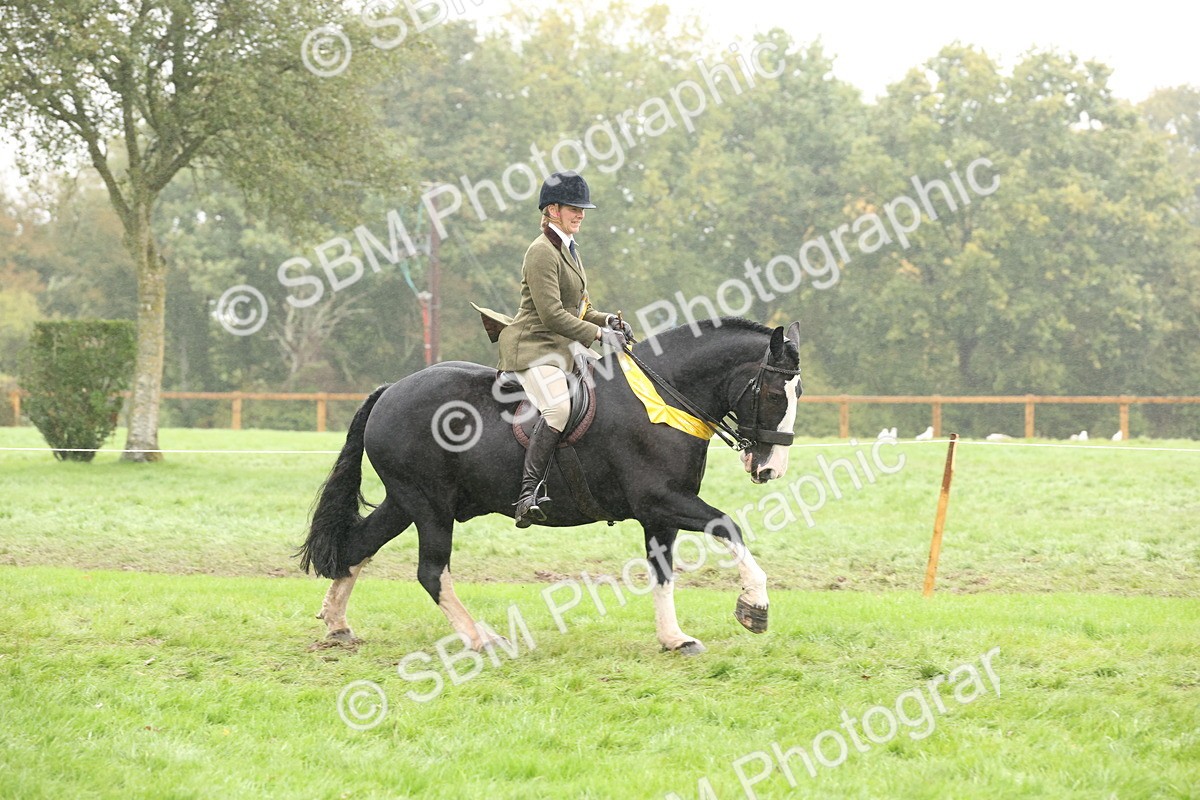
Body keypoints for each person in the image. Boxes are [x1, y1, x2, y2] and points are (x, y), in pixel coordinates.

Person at [496, 170, 633, 527]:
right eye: (575, 208)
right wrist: (598, 336)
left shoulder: (570, 248)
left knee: (614, 383)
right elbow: (552, 314)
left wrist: (608, 322)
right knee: (557, 409)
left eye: (583, 208)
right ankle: (528, 495)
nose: (582, 214)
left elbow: (581, 308)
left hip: (563, 345)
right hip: (534, 347)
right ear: (552, 209)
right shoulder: (541, 252)